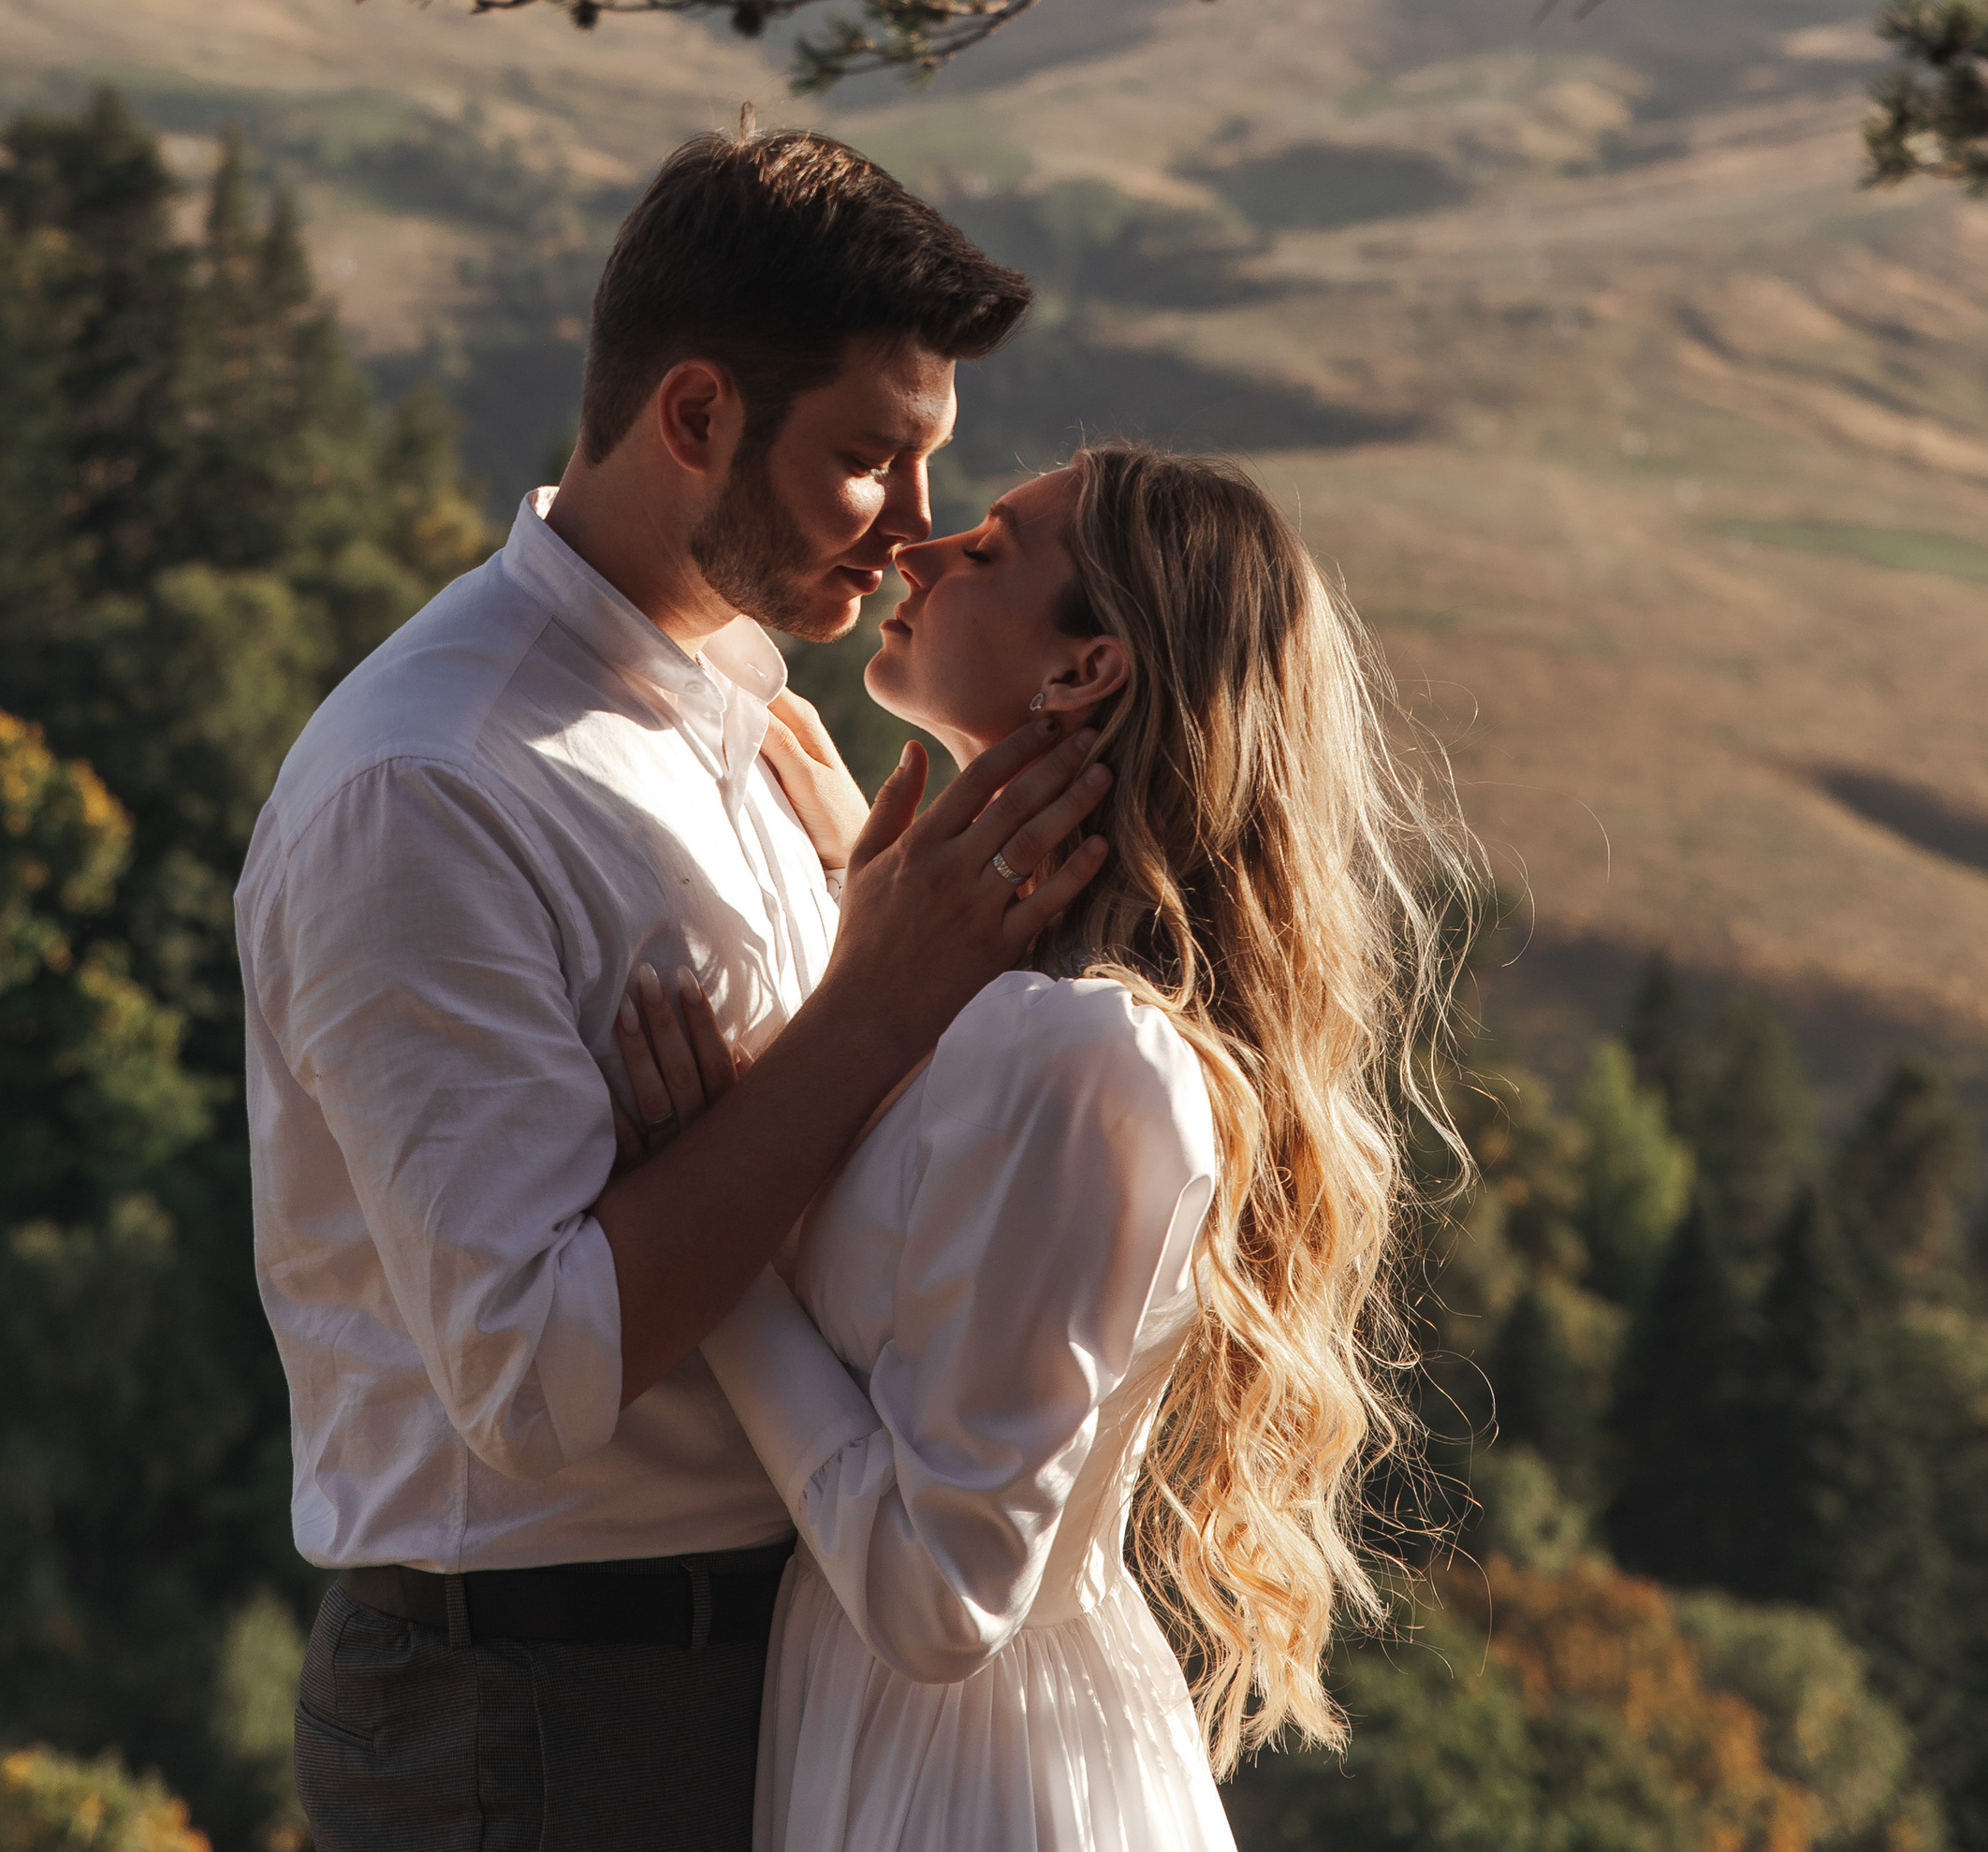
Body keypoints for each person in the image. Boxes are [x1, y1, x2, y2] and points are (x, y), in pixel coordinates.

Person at [236, 127, 1114, 1852]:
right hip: (548, 1716)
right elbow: (534, 1380)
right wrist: (869, 1017)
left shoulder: (751, 712)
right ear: (697, 415)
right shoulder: (430, 786)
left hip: (776, 1667)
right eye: (871, 461)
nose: (920, 535)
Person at [612, 444, 1456, 1852]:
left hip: (968, 1784)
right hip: (911, 1742)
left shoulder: (1079, 1057)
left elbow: (944, 1595)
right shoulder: (1002, 1018)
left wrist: (722, 1220)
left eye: (992, 547)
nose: (917, 549)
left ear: (1084, 674)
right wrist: (859, 916)